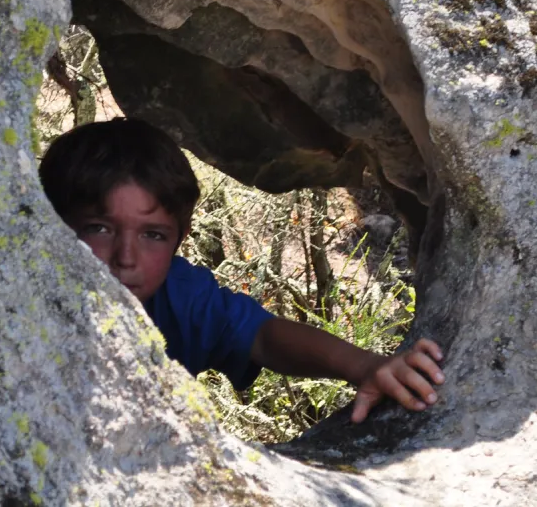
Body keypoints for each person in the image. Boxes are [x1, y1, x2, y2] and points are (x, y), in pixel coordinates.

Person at [38, 117, 445, 423]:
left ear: (180, 238)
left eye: (153, 235)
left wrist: (367, 367)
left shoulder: (180, 297)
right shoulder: (20, 290)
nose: (125, 257)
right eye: (100, 228)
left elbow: (264, 337)